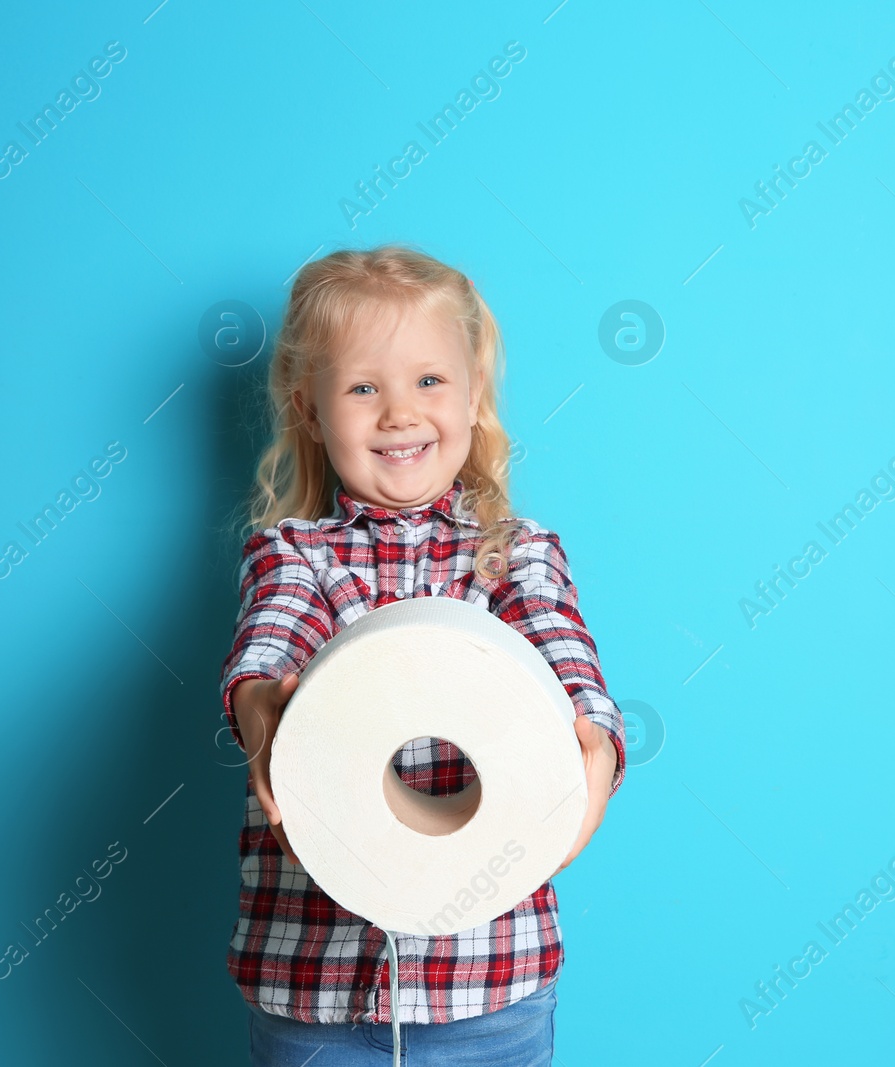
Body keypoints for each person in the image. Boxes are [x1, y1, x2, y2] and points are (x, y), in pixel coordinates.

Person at [218, 244, 627, 1066]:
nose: (399, 412)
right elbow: (271, 639)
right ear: (310, 409)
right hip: (315, 989)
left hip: (489, 988)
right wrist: (260, 707)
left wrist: (594, 742)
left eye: (430, 381)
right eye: (363, 387)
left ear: (474, 397)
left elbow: (565, 658)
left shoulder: (515, 553)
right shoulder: (294, 553)